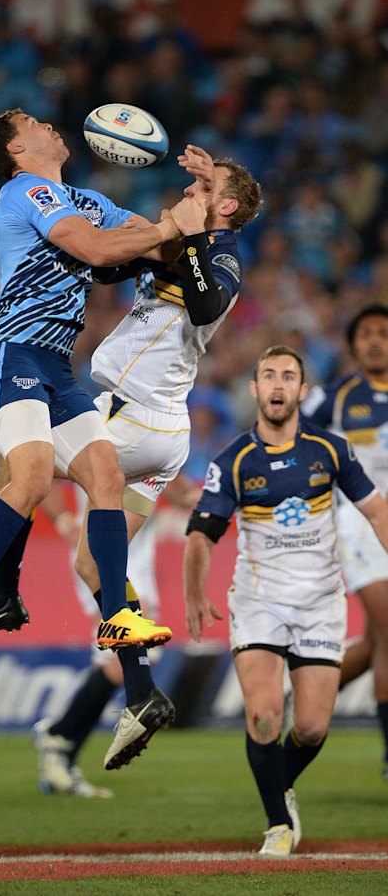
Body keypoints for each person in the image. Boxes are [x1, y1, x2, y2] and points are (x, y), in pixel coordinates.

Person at [0, 146, 262, 782]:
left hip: (129, 415)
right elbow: (107, 265)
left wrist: (185, 234)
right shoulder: (188, 242)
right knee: (90, 563)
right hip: (163, 436)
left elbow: (210, 303)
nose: (192, 189)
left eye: (206, 185)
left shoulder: (219, 253)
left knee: (16, 463)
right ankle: (139, 690)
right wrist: (162, 221)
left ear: (225, 208)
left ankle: (2, 596)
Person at [0, 107, 187, 669]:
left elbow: (155, 247)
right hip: (12, 354)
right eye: (31, 123)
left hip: (57, 367)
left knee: (104, 474)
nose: (49, 125)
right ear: (17, 151)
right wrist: (166, 226)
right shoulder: (24, 191)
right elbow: (101, 251)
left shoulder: (90, 202)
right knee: (30, 479)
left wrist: (180, 223)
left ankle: (116, 617)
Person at [182, 345, 388, 857]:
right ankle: (277, 823)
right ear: (254, 389)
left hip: (320, 600)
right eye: (268, 375)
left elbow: (378, 512)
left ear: (300, 390)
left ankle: (281, 784)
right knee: (265, 718)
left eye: (288, 376)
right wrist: (193, 594)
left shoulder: (332, 451)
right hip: (259, 602)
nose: (278, 385)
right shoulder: (234, 460)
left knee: (313, 728)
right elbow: (200, 536)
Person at [301, 304, 388, 779]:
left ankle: (307, 694)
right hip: (357, 526)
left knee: (380, 640)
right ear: (352, 345)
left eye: (383, 333)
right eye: (366, 334)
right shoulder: (335, 399)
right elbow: (290, 440)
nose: (375, 341)